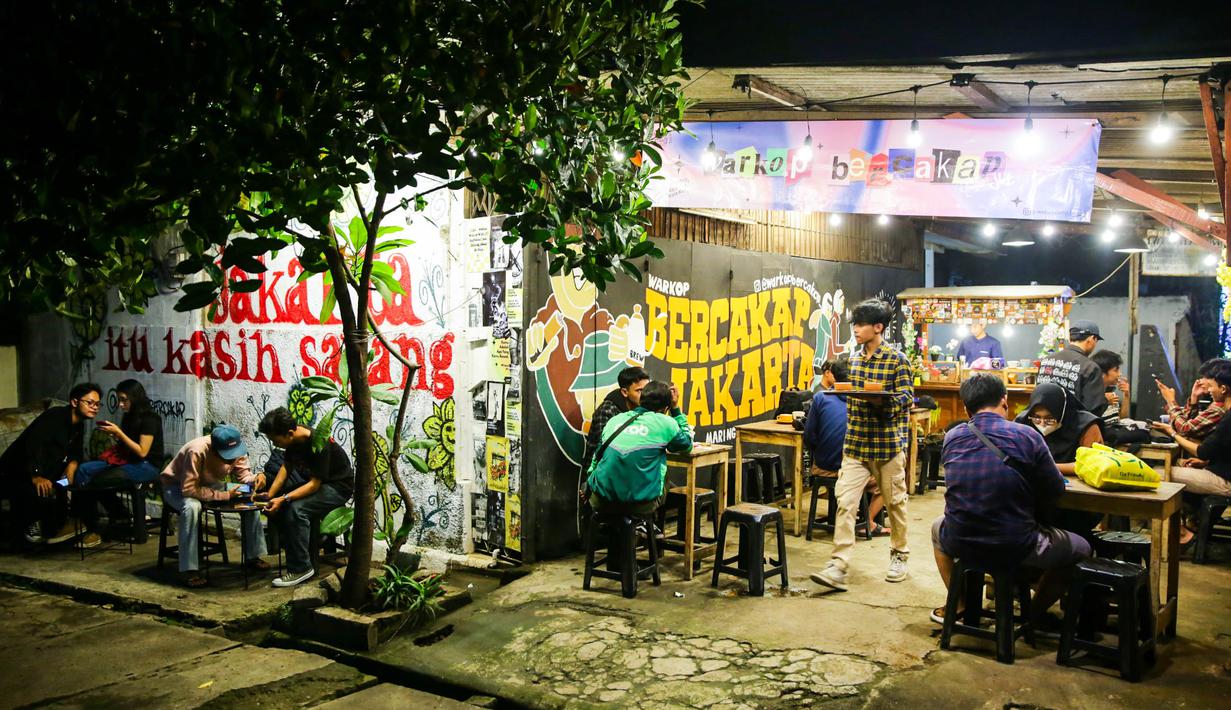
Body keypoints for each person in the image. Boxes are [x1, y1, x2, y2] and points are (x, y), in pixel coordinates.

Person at [930, 374, 1091, 626]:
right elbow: (1055, 489)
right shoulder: (1028, 435)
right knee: (1082, 548)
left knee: (936, 528)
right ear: (1004, 402)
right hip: (1016, 543)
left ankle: (960, 604)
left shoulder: (952, 437)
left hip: (960, 537)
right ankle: (1033, 616)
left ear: (965, 408)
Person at [810, 299, 913, 592]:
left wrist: (883, 401)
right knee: (844, 503)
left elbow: (906, 398)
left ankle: (899, 554)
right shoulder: (853, 360)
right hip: (855, 447)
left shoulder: (897, 360)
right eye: (854, 324)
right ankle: (838, 565)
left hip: (887, 447)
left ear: (877, 327)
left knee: (895, 504)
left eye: (860, 325)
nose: (855, 329)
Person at [161, 425, 269, 588]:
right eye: (226, 456)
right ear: (214, 448)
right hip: (177, 487)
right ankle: (189, 569)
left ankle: (253, 556)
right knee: (192, 507)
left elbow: (244, 477)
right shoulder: (196, 450)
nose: (230, 459)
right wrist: (225, 496)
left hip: (211, 485)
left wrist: (257, 479)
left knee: (248, 494)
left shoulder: (237, 448)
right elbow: (189, 489)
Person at [258, 407, 355, 588]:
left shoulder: (319, 443)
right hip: (320, 484)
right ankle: (302, 552)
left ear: (289, 433)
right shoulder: (294, 439)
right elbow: (286, 467)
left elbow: (314, 485)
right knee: (281, 505)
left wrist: (284, 498)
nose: (274, 444)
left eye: (275, 440)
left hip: (338, 487)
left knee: (297, 510)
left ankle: (301, 567)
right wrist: (269, 495)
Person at [0, 382, 101, 546]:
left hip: (49, 475)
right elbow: (32, 445)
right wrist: (36, 475)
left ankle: (79, 528)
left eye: (97, 404)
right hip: (18, 473)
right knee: (37, 492)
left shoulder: (78, 424)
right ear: (75, 402)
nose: (94, 407)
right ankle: (32, 527)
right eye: (89, 403)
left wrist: (72, 464)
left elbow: (75, 452)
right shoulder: (54, 416)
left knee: (73, 483)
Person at [805, 356, 888, 535]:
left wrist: (819, 454)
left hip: (823, 467)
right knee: (889, 483)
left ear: (833, 375)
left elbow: (809, 436)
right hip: (852, 470)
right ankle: (868, 522)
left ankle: (853, 515)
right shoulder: (864, 401)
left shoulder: (820, 397)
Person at [585, 381, 693, 516]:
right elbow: (687, 446)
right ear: (666, 408)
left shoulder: (615, 420)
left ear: (641, 399)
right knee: (662, 474)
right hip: (640, 506)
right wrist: (676, 410)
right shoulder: (666, 423)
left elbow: (596, 458)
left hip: (600, 500)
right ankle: (650, 526)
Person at [73, 379, 165, 538]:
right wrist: (115, 437)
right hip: (128, 461)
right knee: (83, 470)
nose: (121, 405)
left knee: (100, 480)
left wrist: (119, 433)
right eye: (119, 400)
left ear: (135, 398)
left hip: (147, 465)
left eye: (124, 400)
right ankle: (82, 519)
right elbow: (127, 447)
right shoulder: (129, 417)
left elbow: (142, 452)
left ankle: (113, 517)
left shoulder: (150, 418)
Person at [1152, 361, 1231, 544]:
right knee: (1176, 466)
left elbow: (1200, 449)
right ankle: (1191, 522)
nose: (1208, 390)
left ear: (1224, 388)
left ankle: (1182, 534)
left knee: (1158, 473)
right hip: (1220, 470)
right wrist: (1204, 463)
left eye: (1210, 386)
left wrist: (1171, 433)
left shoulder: (1225, 414)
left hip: (1226, 481)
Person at [581, 366, 650, 476]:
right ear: (624, 392)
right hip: (601, 476)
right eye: (639, 391)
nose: (646, 395)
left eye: (647, 390)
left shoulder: (644, 410)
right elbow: (605, 450)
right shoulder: (607, 411)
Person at [1036, 320, 1106, 413]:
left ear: (1070, 339)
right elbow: (1093, 409)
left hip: (1043, 422)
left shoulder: (1046, 360)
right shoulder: (1090, 367)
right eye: (1096, 341)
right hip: (1074, 425)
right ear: (1091, 338)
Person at [1153, 358, 1228, 442]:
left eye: (1205, 377)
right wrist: (1194, 398)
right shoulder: (1218, 404)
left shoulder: (1219, 408)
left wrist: (1171, 402)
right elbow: (1190, 423)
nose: (1200, 381)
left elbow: (1184, 429)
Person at [1089, 350, 1149, 447]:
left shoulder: (1110, 391)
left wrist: (1126, 395)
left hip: (1115, 437)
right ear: (1103, 373)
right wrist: (1103, 401)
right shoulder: (1092, 393)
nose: (1119, 374)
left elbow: (1121, 418)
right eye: (1116, 370)